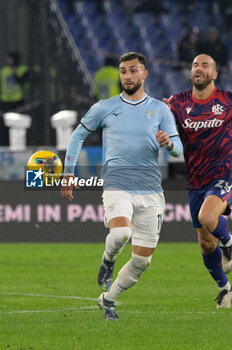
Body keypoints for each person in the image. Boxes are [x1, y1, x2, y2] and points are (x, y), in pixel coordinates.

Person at [61, 52, 183, 320]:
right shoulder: (104, 107)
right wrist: (68, 172)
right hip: (117, 183)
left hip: (151, 190)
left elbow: (179, 152)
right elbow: (78, 135)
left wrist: (170, 143)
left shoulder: (161, 110)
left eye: (133, 71)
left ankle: (107, 299)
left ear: (144, 73)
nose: (127, 76)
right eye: (123, 71)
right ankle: (108, 260)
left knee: (142, 261)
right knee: (120, 234)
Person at [163, 54, 232, 309]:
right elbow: (162, 126)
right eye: (195, 65)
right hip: (195, 180)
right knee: (205, 243)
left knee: (208, 217)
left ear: (215, 74)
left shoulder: (227, 101)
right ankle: (226, 289)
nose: (198, 68)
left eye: (205, 65)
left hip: (224, 174)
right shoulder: (177, 104)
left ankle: (230, 244)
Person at [0, 51, 30, 145]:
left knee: (18, 124)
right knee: (4, 125)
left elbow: (22, 83)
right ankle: (4, 144)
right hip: (5, 102)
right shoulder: (4, 71)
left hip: (17, 101)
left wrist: (14, 73)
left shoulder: (23, 70)